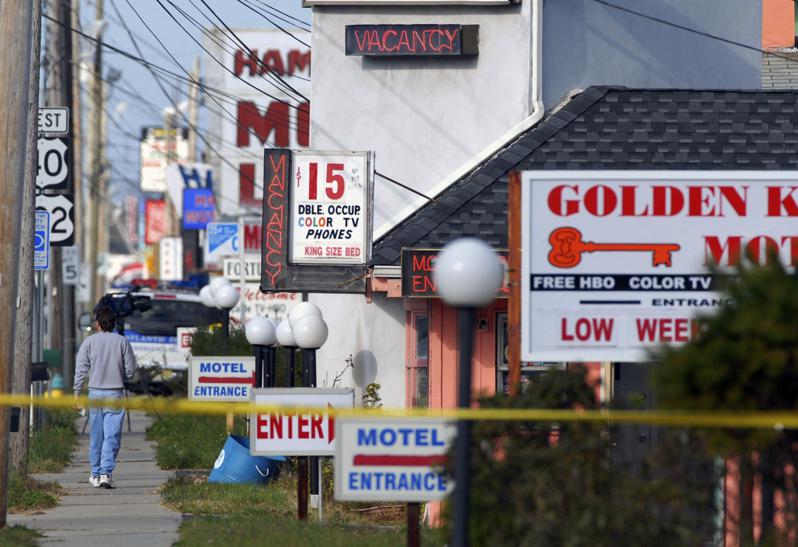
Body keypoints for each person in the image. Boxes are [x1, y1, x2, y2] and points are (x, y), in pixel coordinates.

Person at [73, 305, 137, 489]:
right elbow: (131, 371)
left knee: (96, 436)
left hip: (95, 393)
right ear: (114, 324)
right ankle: (105, 473)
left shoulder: (89, 342)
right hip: (115, 393)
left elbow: (80, 370)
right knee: (112, 436)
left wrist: (77, 393)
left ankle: (95, 473)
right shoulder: (122, 342)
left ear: (98, 324)